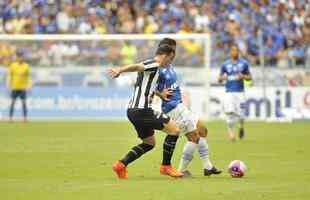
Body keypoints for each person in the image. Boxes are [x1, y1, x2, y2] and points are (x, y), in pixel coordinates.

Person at [107, 44, 182, 179]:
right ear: (165, 56)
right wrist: (120, 69)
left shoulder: (154, 69)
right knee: (175, 130)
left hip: (133, 111)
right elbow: (137, 66)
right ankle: (166, 166)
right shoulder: (154, 64)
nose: (170, 62)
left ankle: (121, 165)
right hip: (142, 110)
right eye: (170, 59)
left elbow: (149, 87)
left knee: (149, 143)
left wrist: (161, 95)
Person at [156, 38, 221, 177]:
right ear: (166, 52)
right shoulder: (158, 68)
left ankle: (206, 167)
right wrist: (160, 94)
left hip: (179, 106)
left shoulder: (169, 65)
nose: (174, 54)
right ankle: (184, 169)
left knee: (202, 130)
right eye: (172, 50)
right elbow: (148, 86)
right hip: (173, 108)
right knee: (195, 136)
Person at [218, 44, 252, 142]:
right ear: (230, 52)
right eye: (232, 50)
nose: (234, 52)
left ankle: (241, 126)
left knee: (241, 114)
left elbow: (250, 77)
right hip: (229, 92)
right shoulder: (225, 64)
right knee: (230, 112)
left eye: (236, 51)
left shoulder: (244, 63)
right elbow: (219, 79)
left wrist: (244, 77)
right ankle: (231, 133)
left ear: (238, 52)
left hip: (240, 92)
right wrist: (222, 78)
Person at [7, 50, 31, 122]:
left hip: (22, 88)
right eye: (19, 56)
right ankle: (10, 118)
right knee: (12, 103)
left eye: (22, 56)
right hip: (14, 87)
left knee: (24, 103)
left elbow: (27, 77)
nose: (20, 58)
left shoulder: (26, 66)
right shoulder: (13, 65)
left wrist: (29, 85)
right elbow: (10, 76)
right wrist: (9, 84)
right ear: (17, 57)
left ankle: (25, 118)